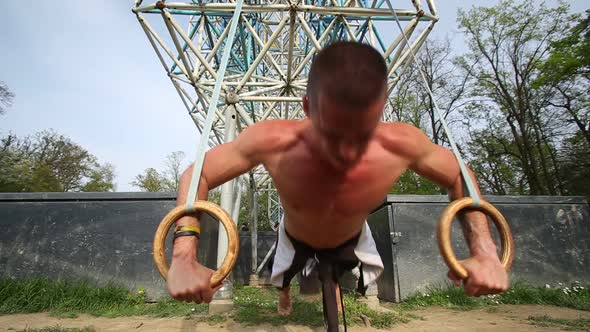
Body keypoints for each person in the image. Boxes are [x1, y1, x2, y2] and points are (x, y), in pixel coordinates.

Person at [167, 42, 509, 315]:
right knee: (283, 279)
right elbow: (198, 174)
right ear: (306, 107)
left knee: (360, 280)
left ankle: (342, 292)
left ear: (381, 108)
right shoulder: (271, 141)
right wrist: (184, 255)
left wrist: (485, 251)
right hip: (294, 233)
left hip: (352, 235)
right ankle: (284, 295)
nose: (346, 152)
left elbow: (461, 177)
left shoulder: (402, 143)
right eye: (331, 134)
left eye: (362, 134)